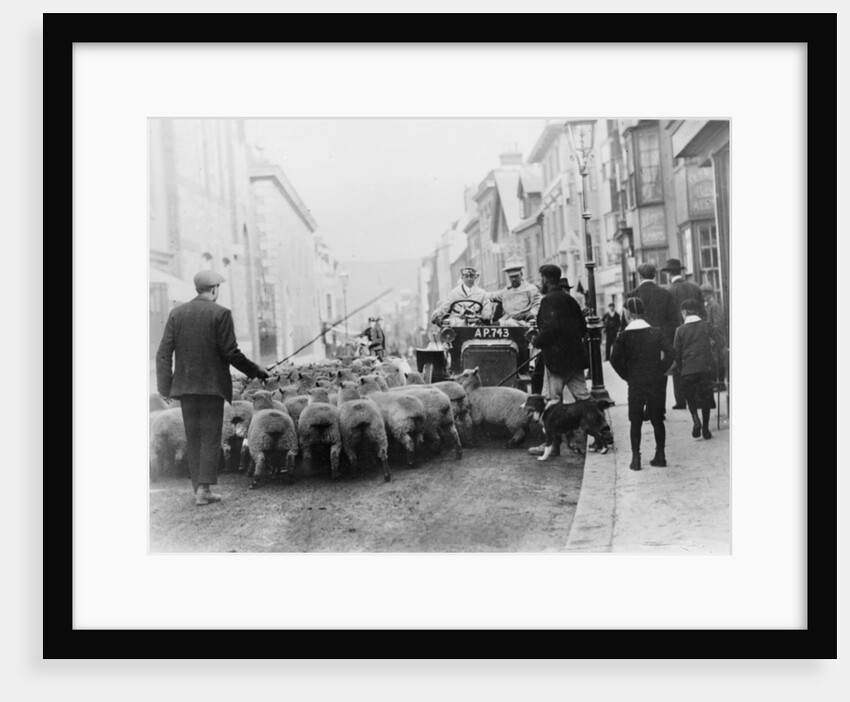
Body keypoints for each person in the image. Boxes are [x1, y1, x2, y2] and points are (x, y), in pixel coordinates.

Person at [156, 270, 270, 505]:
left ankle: (198, 488)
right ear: (215, 289)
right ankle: (204, 490)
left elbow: (163, 354)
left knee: (193, 436)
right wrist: (255, 371)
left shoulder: (176, 314)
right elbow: (231, 352)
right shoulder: (221, 314)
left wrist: (164, 388)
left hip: (185, 388)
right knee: (209, 437)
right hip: (212, 388)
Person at [528, 265, 590, 457]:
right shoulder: (570, 300)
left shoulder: (548, 301)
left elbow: (551, 329)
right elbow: (582, 327)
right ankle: (598, 437)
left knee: (553, 403)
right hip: (575, 359)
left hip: (556, 362)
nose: (540, 283)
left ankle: (553, 446)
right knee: (584, 398)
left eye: (540, 279)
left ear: (546, 279)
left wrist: (536, 340)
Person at [609, 297, 675, 471]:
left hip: (636, 383)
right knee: (657, 420)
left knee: (636, 420)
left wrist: (627, 376)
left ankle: (636, 458)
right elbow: (670, 353)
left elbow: (614, 359)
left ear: (628, 314)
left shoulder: (623, 336)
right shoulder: (656, 332)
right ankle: (660, 455)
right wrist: (660, 370)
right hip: (655, 381)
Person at [624, 262, 680, 416]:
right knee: (660, 375)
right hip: (660, 341)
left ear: (639, 276)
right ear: (654, 275)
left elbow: (625, 322)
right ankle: (659, 409)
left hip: (638, 343)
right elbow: (674, 321)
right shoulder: (665, 294)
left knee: (643, 375)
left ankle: (648, 408)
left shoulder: (632, 295)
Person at [672, 298, 722, 441]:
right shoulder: (706, 326)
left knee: (690, 397)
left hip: (688, 370)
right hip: (705, 368)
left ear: (684, 312)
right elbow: (720, 340)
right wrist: (712, 349)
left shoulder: (680, 330)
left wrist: (680, 369)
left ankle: (695, 420)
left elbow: (677, 352)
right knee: (706, 398)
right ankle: (706, 429)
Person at [662, 258, 705, 409]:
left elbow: (667, 318)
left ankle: (681, 401)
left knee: (677, 363)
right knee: (697, 362)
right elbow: (703, 311)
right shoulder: (695, 287)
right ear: (680, 271)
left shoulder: (667, 291)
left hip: (677, 332)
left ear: (668, 274)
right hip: (698, 330)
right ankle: (699, 398)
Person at [489, 259, 541, 325]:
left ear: (521, 274)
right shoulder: (506, 291)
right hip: (506, 321)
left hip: (523, 322)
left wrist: (528, 314)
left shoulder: (531, 289)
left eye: (516, 276)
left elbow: (537, 306)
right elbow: (492, 296)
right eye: (511, 277)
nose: (513, 279)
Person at [701, 283, 727, 391]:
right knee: (713, 362)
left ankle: (720, 384)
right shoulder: (706, 305)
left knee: (718, 362)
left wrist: (712, 338)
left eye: (704, 294)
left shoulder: (714, 306)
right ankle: (716, 383)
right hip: (711, 339)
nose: (703, 296)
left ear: (709, 294)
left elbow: (718, 324)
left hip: (716, 339)